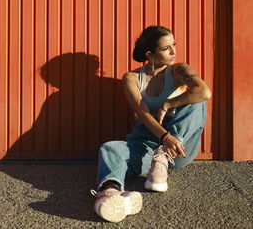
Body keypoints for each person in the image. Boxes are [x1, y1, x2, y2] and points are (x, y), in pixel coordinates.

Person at [90, 26, 211, 222]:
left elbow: (204, 92)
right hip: (146, 145)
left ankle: (162, 155)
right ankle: (110, 194)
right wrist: (165, 137)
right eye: (166, 48)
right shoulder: (131, 79)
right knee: (110, 149)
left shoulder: (180, 70)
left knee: (197, 103)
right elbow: (144, 114)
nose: (173, 51)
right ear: (150, 54)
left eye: (174, 45)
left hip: (177, 151)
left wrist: (168, 104)